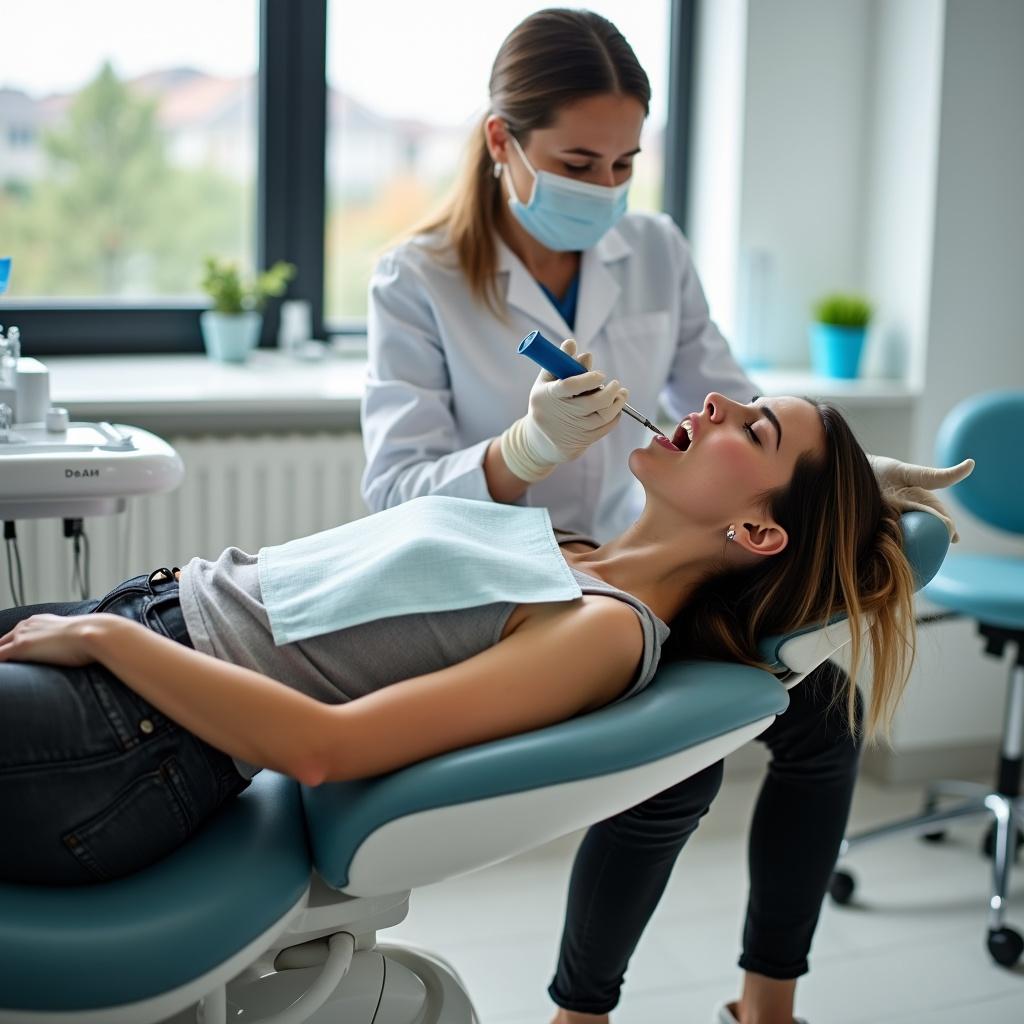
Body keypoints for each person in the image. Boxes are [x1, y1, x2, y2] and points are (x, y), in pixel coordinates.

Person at [358, 9, 972, 1024]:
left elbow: (729, 403)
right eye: (579, 160)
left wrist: (848, 479)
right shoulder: (415, 280)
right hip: (522, 579)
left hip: (656, 560)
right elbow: (394, 496)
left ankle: (764, 1007)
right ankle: (580, 1014)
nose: (605, 189)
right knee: (673, 773)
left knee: (827, 725)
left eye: (624, 163)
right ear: (501, 140)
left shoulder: (651, 249)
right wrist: (519, 456)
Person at [4, 394, 916, 897]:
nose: (717, 399)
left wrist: (105, 640)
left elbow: (330, 748)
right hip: (135, 644)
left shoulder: (604, 629)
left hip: (130, 733)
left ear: (759, 536)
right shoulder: (579, 553)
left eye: (751, 428)